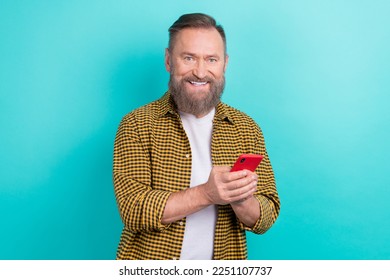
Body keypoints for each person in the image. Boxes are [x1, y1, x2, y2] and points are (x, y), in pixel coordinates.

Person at [113, 13, 280, 260]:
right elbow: (133, 208)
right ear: (169, 61)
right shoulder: (137, 124)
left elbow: (267, 215)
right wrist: (208, 194)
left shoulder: (246, 128)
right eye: (189, 58)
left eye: (211, 59)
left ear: (225, 63)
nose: (200, 72)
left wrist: (242, 201)